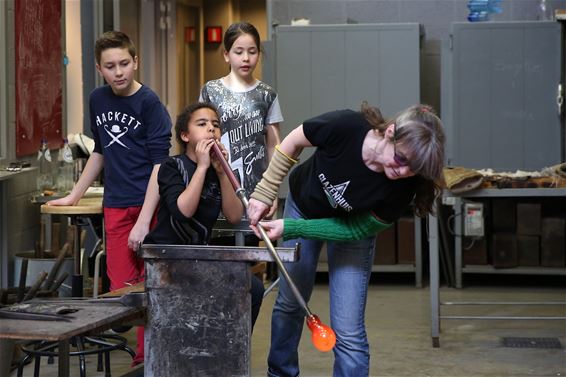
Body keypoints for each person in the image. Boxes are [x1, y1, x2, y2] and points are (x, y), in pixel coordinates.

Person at [247, 103, 445, 377]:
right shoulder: (346, 126)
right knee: (291, 303)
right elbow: (293, 140)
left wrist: (291, 228)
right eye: (401, 159)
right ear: (390, 132)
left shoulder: (403, 189)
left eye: (415, 169)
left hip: (350, 230)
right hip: (303, 205)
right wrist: (265, 191)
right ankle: (281, 373)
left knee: (348, 329)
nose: (403, 173)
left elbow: (352, 231)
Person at [47, 31, 172, 366]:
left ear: (136, 62)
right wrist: (74, 195)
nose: (119, 72)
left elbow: (161, 165)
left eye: (125, 64)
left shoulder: (150, 103)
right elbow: (100, 153)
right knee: (122, 287)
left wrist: (145, 220)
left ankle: (146, 361)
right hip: (115, 205)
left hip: (149, 205)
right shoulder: (97, 100)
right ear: (100, 69)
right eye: (110, 66)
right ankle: (145, 353)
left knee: (151, 285)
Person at [143, 102, 264, 328]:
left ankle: (230, 353)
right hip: (166, 259)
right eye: (202, 124)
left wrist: (222, 172)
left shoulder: (219, 171)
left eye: (216, 125)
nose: (211, 129)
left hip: (198, 258)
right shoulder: (172, 166)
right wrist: (201, 167)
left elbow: (234, 216)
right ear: (185, 135)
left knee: (253, 288)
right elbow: (183, 211)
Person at [199, 21, 283, 219]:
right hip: (217, 183)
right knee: (217, 244)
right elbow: (199, 136)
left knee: (251, 245)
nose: (246, 58)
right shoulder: (210, 91)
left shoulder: (267, 94)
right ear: (227, 55)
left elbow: (273, 146)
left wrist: (272, 191)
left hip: (256, 188)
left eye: (252, 52)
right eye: (239, 52)